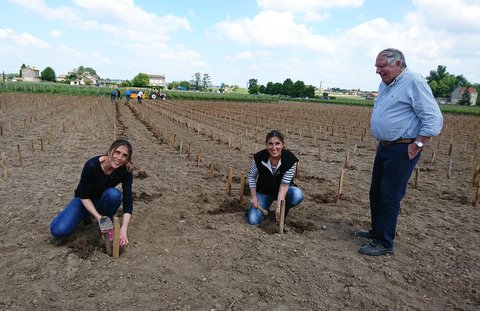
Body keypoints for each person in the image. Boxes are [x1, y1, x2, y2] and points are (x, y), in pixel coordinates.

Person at [356, 48, 443, 256]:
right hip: (385, 146)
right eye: (376, 66)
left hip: (403, 148)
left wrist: (418, 144)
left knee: (389, 194)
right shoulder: (386, 83)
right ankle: (377, 232)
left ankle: (384, 242)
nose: (378, 70)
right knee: (376, 191)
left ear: (398, 64)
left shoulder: (414, 81)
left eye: (382, 66)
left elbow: (433, 117)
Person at [50, 139, 134, 246]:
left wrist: (123, 229)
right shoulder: (92, 165)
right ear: (110, 151)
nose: (119, 158)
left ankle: (108, 219)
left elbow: (128, 200)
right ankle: (83, 215)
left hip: (103, 199)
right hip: (84, 200)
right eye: (117, 152)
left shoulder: (125, 170)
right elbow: (83, 196)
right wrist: (98, 218)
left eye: (124, 155)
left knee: (114, 194)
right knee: (58, 231)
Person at [247, 130, 304, 225]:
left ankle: (282, 213)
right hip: (264, 192)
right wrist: (254, 197)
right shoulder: (259, 158)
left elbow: (284, 186)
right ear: (266, 145)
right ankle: (262, 209)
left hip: (283, 192)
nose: (274, 148)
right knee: (253, 220)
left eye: (277, 143)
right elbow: (252, 176)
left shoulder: (290, 160)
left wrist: (279, 207)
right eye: (270, 144)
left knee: (297, 195)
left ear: (282, 145)